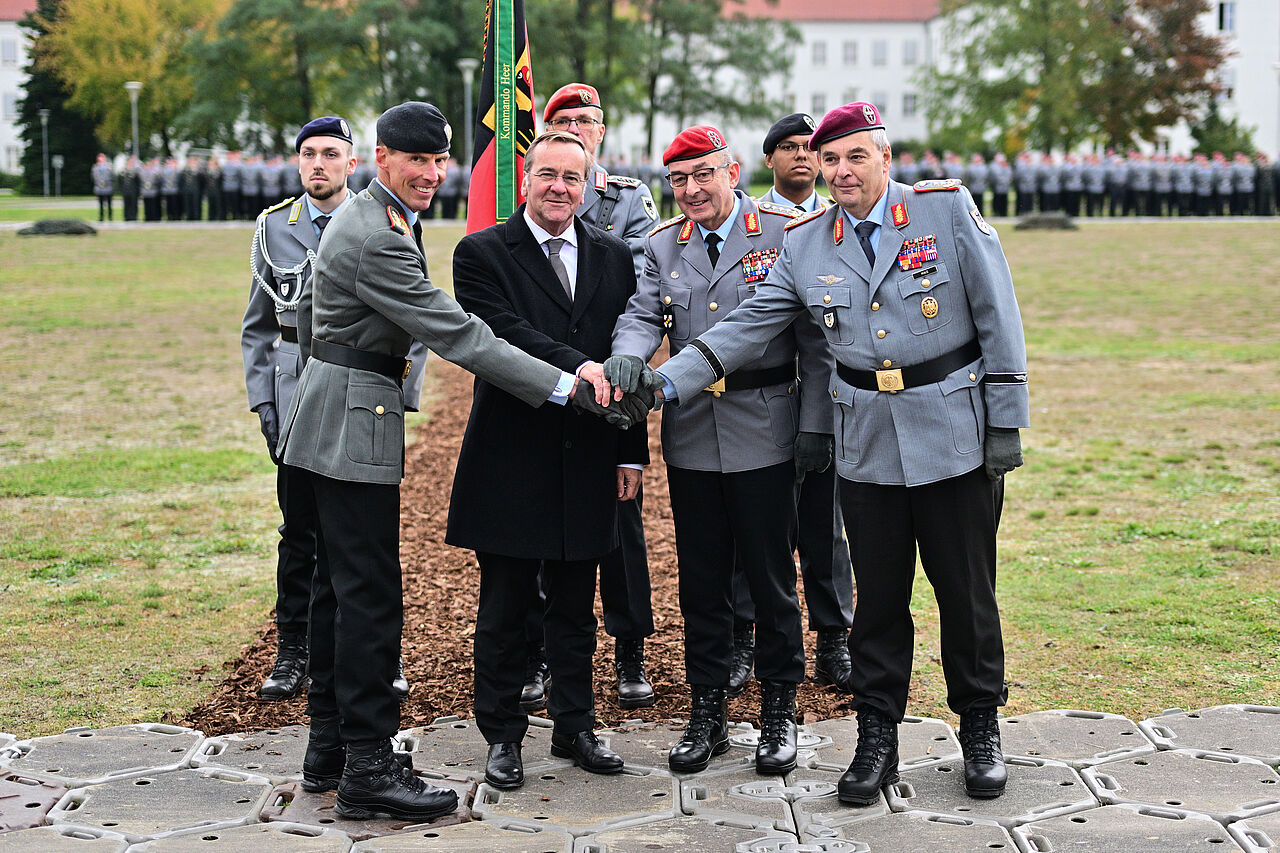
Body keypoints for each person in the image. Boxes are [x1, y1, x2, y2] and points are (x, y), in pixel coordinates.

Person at [641, 102, 1029, 804]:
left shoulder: (943, 212)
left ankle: (979, 727)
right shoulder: (807, 241)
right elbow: (752, 323)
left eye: (856, 156)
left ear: (886, 157)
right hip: (867, 440)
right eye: (830, 160)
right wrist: (668, 379)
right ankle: (877, 735)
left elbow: (999, 314)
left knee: (966, 594)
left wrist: (1006, 420)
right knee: (877, 599)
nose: (841, 171)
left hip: (952, 432)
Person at [276, 101, 633, 822]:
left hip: (328, 406)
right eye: (418, 160)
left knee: (334, 590)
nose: (432, 173)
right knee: (368, 594)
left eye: (440, 161)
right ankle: (369, 767)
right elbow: (459, 334)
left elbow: (309, 316)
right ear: (379, 159)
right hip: (353, 419)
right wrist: (567, 385)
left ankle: (329, 747)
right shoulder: (379, 233)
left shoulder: (371, 219)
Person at [607, 124, 832, 777]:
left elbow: (813, 340)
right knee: (702, 580)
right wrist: (626, 357)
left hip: (766, 425)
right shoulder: (662, 245)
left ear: (732, 171)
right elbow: (644, 315)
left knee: (769, 578)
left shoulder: (784, 233)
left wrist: (816, 420)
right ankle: (709, 711)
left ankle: (778, 709)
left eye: (704, 174)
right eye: (679, 179)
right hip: (694, 432)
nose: (692, 189)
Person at [447, 130, 650, 790]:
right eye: (548, 174)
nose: (560, 186)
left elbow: (629, 355)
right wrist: (582, 368)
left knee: (575, 605)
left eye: (573, 176)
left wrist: (632, 452)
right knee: (506, 609)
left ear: (589, 185)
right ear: (526, 179)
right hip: (512, 452)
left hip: (590, 456)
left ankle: (575, 723)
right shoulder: (481, 253)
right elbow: (505, 335)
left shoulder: (615, 256)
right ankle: (502, 733)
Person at [242, 115, 424, 710]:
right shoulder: (275, 229)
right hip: (300, 392)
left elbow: (414, 324)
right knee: (299, 533)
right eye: (308, 155)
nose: (317, 164)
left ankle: (375, 657)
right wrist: (267, 403)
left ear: (355, 163)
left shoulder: (390, 221)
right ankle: (294, 646)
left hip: (366, 395)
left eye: (330, 154)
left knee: (363, 550)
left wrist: (399, 396)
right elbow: (258, 330)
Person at [524, 82, 662, 711]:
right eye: (566, 119)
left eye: (589, 119)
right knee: (538, 524)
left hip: (613, 375)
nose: (580, 126)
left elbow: (639, 285)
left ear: (602, 132)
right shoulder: (535, 193)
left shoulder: (627, 199)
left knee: (620, 521)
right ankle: (542, 654)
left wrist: (614, 375)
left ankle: (630, 646)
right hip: (544, 377)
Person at [747, 111, 855, 696]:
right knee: (756, 528)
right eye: (786, 147)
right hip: (761, 399)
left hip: (828, 395)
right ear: (769, 159)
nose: (800, 157)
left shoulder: (842, 221)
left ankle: (835, 637)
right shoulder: (749, 222)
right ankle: (747, 637)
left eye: (808, 148)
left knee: (824, 526)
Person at [91, 153, 114, 222]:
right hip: (99, 188)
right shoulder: (95, 167)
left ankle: (110, 217)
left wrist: (105, 181)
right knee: (100, 204)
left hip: (108, 187)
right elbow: (93, 177)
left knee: (109, 204)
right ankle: (101, 217)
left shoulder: (109, 166)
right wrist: (99, 182)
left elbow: (112, 176)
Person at [120, 156, 141, 222]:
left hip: (133, 192)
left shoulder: (135, 172)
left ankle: (134, 217)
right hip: (126, 191)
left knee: (133, 205)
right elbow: (120, 182)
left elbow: (138, 183)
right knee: (126, 205)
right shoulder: (123, 172)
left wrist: (138, 192)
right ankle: (127, 217)